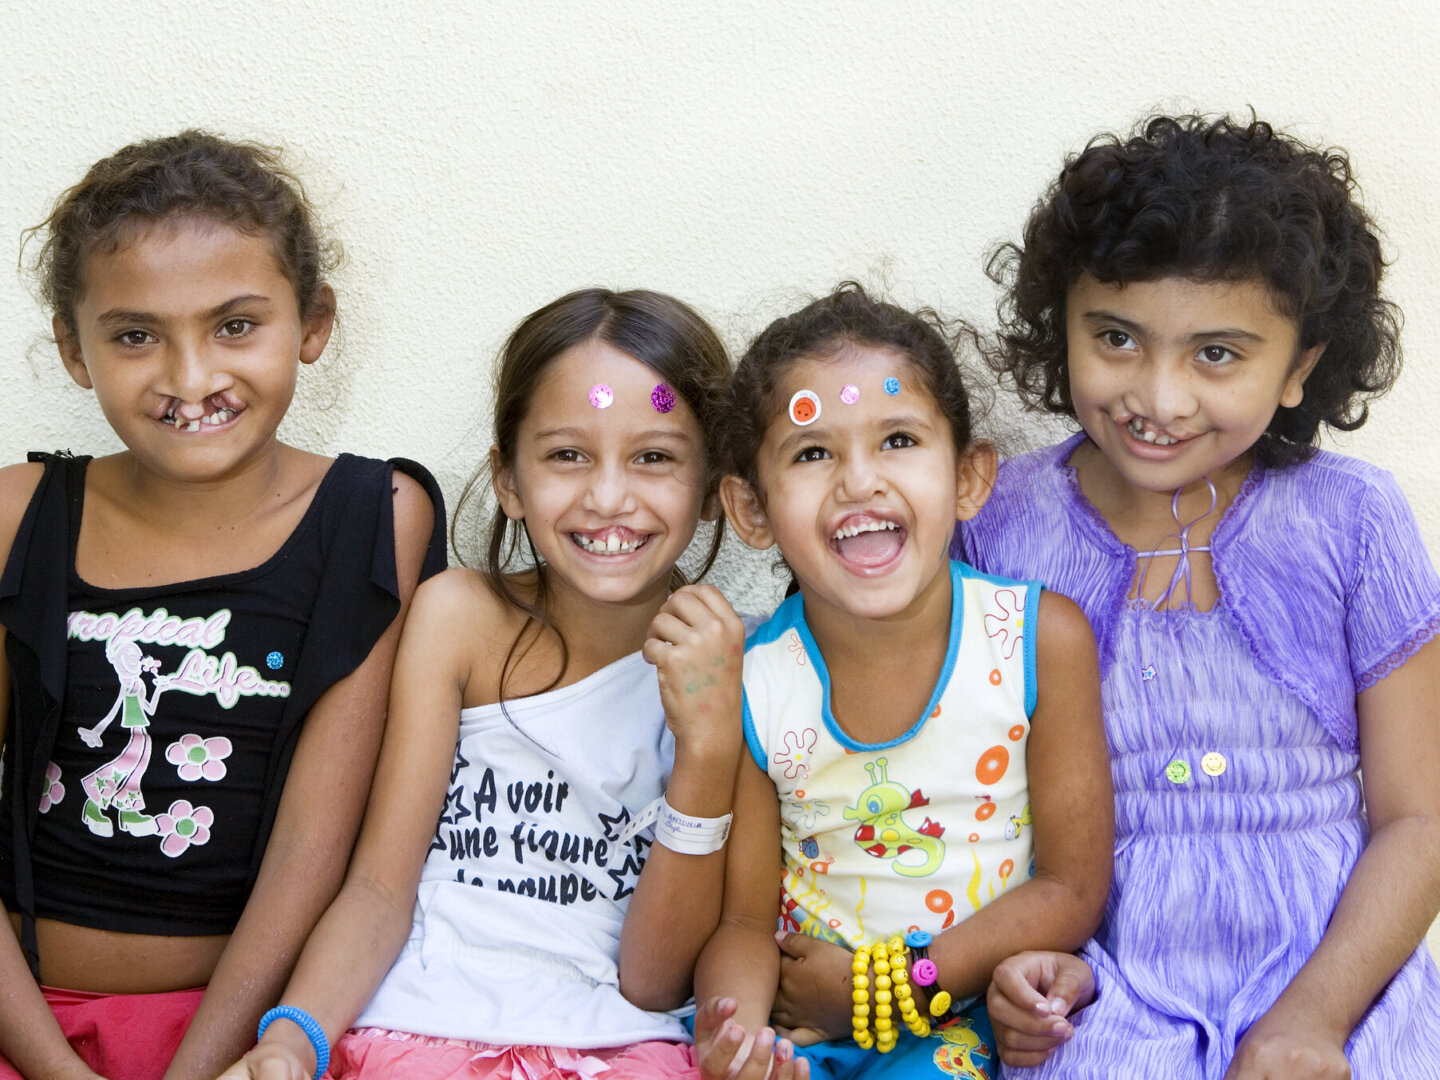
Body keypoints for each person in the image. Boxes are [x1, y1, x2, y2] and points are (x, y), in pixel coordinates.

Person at [964, 114, 1440, 1079]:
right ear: (1063, 324)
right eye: (1117, 338)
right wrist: (1011, 969)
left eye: (1217, 354)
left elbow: (1417, 819)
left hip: (1341, 973)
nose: (1160, 397)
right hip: (1098, 980)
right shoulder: (995, 524)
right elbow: (964, 800)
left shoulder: (1353, 520)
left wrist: (1310, 1020)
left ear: (1301, 367)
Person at [218, 288, 790, 1080]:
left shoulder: (739, 661)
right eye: (567, 455)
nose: (609, 497)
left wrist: (707, 744)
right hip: (413, 1029)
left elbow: (655, 980)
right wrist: (292, 1038)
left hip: (621, 1049)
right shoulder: (457, 619)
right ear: (509, 481)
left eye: (653, 456)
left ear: (711, 486)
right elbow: (380, 890)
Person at [0, 131, 445, 1080]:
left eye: (235, 325)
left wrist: (204, 1068)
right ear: (74, 351)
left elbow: (312, 853)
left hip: (248, 1037)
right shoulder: (15, 518)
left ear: (312, 323)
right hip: (23, 1026)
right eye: (134, 335)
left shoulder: (375, 520)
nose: (190, 377)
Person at [694, 283, 1113, 1080]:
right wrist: (739, 1039)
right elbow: (745, 922)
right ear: (751, 508)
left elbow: (1070, 886)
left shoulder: (1035, 642)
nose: (860, 481)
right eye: (813, 453)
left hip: (973, 1021)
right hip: (809, 1032)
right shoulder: (755, 681)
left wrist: (889, 990)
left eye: (898, 440)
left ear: (968, 477)